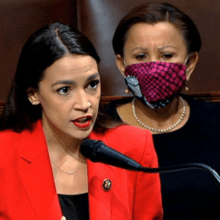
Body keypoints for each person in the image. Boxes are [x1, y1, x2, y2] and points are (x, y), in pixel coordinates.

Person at [0, 22, 162, 220]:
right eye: (65, 90)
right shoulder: (4, 154)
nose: (85, 104)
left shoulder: (133, 147)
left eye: (92, 85)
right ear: (33, 94)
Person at [106, 2, 220, 219]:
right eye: (140, 57)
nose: (154, 68)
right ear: (122, 65)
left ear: (189, 63)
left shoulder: (216, 121)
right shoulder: (101, 133)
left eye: (166, 56)